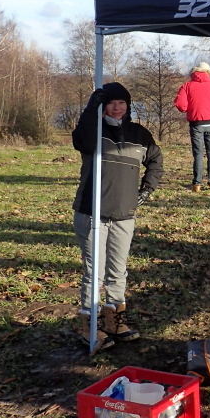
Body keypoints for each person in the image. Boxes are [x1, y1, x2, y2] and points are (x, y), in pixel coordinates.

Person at [72, 82, 163, 351]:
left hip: (124, 214)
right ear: (103, 105)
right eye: (111, 102)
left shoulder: (139, 134)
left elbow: (156, 161)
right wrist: (91, 109)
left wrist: (146, 190)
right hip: (92, 212)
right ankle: (90, 326)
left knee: (117, 270)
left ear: (128, 105)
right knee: (94, 272)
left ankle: (115, 321)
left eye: (121, 102)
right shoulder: (94, 131)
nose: (117, 106)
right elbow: (81, 140)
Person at [175, 62, 210, 192]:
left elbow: (181, 105)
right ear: (208, 72)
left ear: (195, 72)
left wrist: (190, 109)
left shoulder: (186, 86)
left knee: (198, 154)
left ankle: (197, 184)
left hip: (196, 123)